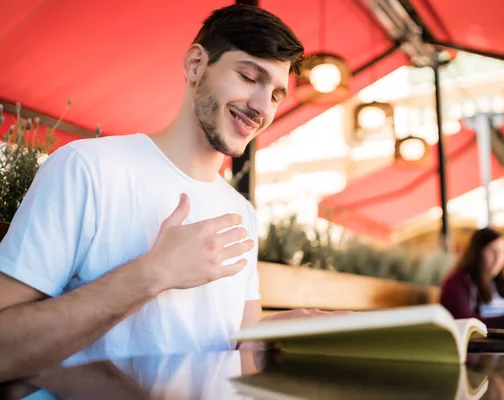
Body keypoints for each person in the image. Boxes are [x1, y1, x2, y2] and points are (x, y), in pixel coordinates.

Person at [0, 5, 325, 382]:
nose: (261, 107)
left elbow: (239, 356)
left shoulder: (242, 212)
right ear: (196, 64)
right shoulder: (87, 168)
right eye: (249, 76)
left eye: (276, 95)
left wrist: (275, 335)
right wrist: (154, 273)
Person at [439, 227, 504, 329]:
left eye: (503, 251)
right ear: (477, 253)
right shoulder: (457, 282)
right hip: (485, 344)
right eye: (493, 251)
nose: (498, 257)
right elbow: (465, 322)